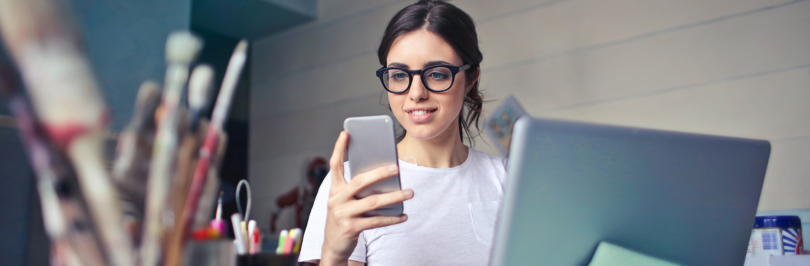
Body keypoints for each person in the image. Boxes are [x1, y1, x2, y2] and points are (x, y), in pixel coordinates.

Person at [299, 1, 506, 265]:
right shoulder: (353, 185)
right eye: (399, 75)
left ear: (471, 78)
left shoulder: (508, 179)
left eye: (437, 74)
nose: (416, 93)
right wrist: (333, 254)